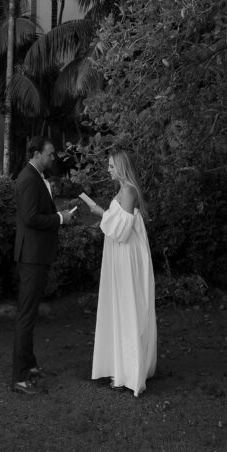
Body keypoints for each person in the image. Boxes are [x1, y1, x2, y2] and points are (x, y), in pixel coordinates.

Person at [88, 150, 157, 397]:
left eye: (110, 166)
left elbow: (124, 229)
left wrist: (99, 213)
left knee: (128, 307)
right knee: (118, 306)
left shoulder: (128, 190)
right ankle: (120, 366)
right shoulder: (122, 190)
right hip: (118, 255)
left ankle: (130, 371)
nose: (108, 169)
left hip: (128, 256)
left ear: (121, 167)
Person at [11, 136, 75, 395]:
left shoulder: (36, 177)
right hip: (31, 257)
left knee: (29, 314)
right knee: (26, 316)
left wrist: (60, 213)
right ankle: (19, 377)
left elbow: (37, 212)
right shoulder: (28, 179)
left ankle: (30, 364)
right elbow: (31, 218)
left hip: (36, 255)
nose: (53, 158)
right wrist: (61, 218)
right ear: (36, 154)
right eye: (49, 154)